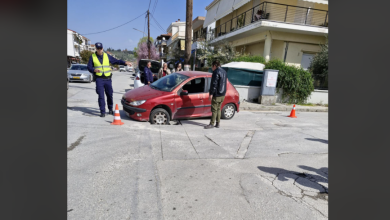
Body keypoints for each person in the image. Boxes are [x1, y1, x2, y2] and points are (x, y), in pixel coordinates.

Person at [87, 42, 132, 117]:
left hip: (107, 79)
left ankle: (110, 108)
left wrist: (125, 62)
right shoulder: (93, 57)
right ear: (96, 49)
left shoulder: (106, 56)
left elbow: (116, 61)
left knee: (109, 95)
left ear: (102, 48)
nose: (99, 50)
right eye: (98, 49)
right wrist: (93, 70)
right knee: (101, 96)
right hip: (99, 79)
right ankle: (102, 111)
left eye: (100, 48)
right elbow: (89, 67)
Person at [204, 60, 227, 129]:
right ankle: (218, 123)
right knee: (219, 109)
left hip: (216, 94)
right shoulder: (224, 72)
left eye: (212, 67)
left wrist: (211, 94)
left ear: (214, 66)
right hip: (222, 94)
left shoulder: (216, 72)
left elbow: (214, 84)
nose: (212, 68)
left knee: (214, 109)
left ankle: (211, 124)